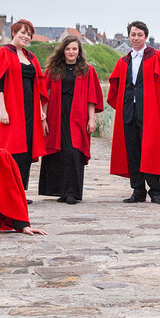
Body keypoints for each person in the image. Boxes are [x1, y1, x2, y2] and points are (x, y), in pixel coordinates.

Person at [107, 21, 160, 204]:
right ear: (129, 36)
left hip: (149, 112)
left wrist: (159, 106)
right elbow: (117, 86)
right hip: (129, 111)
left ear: (146, 36)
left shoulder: (157, 57)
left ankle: (155, 191)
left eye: (140, 34)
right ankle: (138, 190)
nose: (136, 38)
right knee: (132, 151)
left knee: (151, 150)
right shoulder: (124, 61)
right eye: (133, 34)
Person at [0, 19, 47, 187]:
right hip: (11, 108)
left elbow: (37, 85)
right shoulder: (2, 52)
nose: (26, 37)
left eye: (29, 34)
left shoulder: (31, 57)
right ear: (13, 32)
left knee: (26, 149)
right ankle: (8, 190)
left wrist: (39, 109)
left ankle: (21, 189)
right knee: (10, 149)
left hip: (29, 110)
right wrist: (2, 110)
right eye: (22, 32)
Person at [38, 36, 104, 204]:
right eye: (68, 49)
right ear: (63, 50)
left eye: (74, 49)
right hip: (56, 114)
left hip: (78, 115)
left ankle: (73, 193)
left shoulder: (87, 71)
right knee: (59, 152)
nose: (71, 52)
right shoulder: (53, 70)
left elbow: (91, 98)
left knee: (74, 152)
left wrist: (91, 120)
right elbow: (45, 95)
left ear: (79, 51)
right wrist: (43, 118)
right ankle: (61, 191)